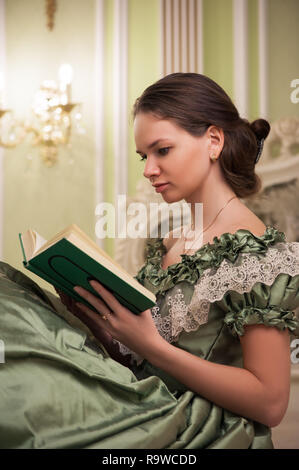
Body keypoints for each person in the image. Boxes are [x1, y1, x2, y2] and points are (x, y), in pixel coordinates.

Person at [0, 73, 298, 449]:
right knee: (12, 302)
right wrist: (100, 319)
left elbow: (271, 404)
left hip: (200, 427)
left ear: (213, 141)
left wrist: (151, 346)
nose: (148, 169)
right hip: (147, 403)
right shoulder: (169, 241)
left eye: (162, 150)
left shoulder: (258, 255)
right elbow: (140, 360)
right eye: (144, 156)